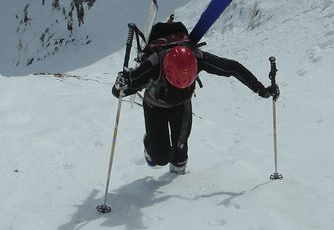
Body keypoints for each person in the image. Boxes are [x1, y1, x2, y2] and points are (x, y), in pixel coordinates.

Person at [112, 19, 279, 174]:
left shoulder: (197, 56)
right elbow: (119, 92)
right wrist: (122, 84)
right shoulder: (154, 64)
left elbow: (232, 68)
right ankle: (150, 143)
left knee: (179, 158)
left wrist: (261, 89)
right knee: (160, 158)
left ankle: (178, 179)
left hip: (182, 104)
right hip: (156, 107)